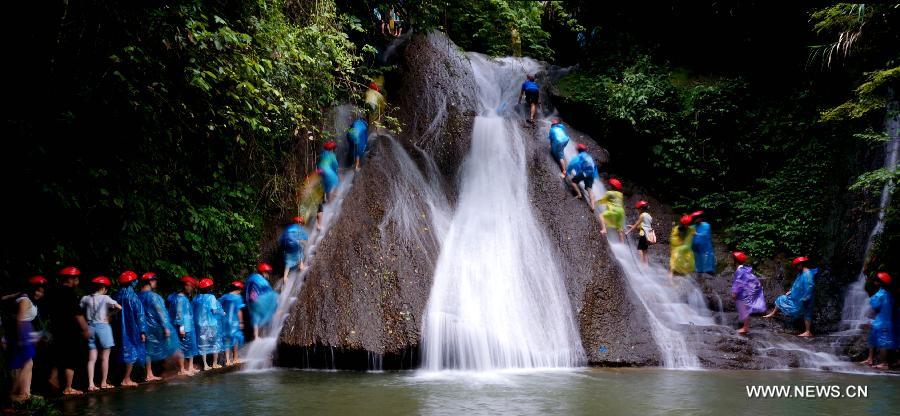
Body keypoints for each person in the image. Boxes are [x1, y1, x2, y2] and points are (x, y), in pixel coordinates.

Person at [46, 266, 90, 395]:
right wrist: (85, 328)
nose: (78, 281)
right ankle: (68, 387)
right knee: (71, 358)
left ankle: (53, 377)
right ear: (71, 279)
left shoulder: (53, 291)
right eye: (76, 278)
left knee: (59, 355)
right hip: (70, 330)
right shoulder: (70, 293)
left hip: (56, 328)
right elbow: (78, 314)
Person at [8, 276, 46, 402]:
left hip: (26, 331)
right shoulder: (24, 299)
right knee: (21, 363)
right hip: (20, 332)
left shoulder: (30, 300)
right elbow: (20, 319)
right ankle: (15, 394)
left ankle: (25, 393)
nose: (38, 293)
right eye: (36, 290)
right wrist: (23, 338)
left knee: (29, 363)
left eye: (41, 291)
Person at [81, 276, 122, 391]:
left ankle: (91, 384)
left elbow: (80, 310)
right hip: (103, 327)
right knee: (105, 357)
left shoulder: (85, 298)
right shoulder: (106, 298)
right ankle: (103, 382)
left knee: (91, 358)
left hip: (90, 327)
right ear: (103, 288)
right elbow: (119, 307)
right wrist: (109, 315)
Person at [137, 272, 177, 381]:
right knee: (166, 346)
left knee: (147, 350)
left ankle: (149, 373)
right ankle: (166, 371)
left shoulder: (137, 296)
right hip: (155, 327)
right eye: (154, 280)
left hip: (142, 327)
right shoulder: (154, 296)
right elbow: (161, 312)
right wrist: (166, 326)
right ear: (150, 282)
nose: (156, 283)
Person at [764, 257, 817, 337]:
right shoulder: (801, 273)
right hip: (796, 297)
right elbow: (796, 284)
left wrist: (806, 298)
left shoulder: (807, 274)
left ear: (800, 265)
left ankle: (808, 331)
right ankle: (773, 313)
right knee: (781, 298)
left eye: (796, 266)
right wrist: (791, 291)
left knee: (807, 313)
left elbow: (810, 287)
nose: (795, 267)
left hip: (803, 299)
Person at [113, 271, 146, 387]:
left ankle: (119, 378)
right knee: (131, 352)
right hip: (132, 329)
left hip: (117, 328)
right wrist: (143, 331)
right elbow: (140, 315)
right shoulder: (133, 297)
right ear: (132, 282)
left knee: (121, 351)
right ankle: (126, 379)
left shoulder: (116, 295)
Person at [861, 272, 894, 369]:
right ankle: (870, 359)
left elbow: (875, 307)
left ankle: (884, 364)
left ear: (878, 283)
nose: (874, 282)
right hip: (883, 320)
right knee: (872, 337)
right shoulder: (888, 294)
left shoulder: (880, 295)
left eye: (876, 281)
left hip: (882, 321)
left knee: (883, 342)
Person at [169, 276, 199, 375]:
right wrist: (181, 328)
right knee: (182, 348)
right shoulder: (180, 299)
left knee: (191, 346)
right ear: (185, 286)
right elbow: (179, 314)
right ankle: (182, 369)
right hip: (184, 327)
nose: (191, 289)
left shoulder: (184, 298)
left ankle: (190, 367)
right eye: (190, 286)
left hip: (189, 326)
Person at [730, 252, 766, 335]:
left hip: (743, 293)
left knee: (743, 308)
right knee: (744, 308)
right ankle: (745, 326)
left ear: (735, 261)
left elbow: (738, 282)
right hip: (747, 291)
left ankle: (745, 328)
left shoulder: (739, 271)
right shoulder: (745, 269)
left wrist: (734, 292)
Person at [192, 278, 225, 371]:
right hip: (211, 324)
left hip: (199, 324)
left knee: (202, 344)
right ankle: (214, 363)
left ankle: (205, 365)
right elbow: (214, 310)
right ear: (210, 288)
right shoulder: (211, 297)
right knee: (215, 343)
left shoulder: (196, 298)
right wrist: (222, 313)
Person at [246, 264, 278, 339]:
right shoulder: (258, 280)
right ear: (263, 272)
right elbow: (255, 291)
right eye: (267, 273)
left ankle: (258, 335)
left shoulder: (253, 279)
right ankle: (257, 335)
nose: (268, 275)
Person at [218, 281, 245, 366]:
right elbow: (239, 311)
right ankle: (235, 358)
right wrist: (241, 322)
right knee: (235, 339)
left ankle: (228, 360)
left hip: (225, 321)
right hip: (234, 321)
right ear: (238, 289)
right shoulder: (238, 298)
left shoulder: (224, 297)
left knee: (227, 339)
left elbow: (218, 307)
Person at [316, 140, 340, 231]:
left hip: (320, 176)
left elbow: (319, 166)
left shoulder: (322, 154)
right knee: (333, 185)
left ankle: (318, 224)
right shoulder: (332, 155)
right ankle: (330, 202)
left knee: (320, 200)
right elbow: (335, 167)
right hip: (330, 176)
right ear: (332, 149)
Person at [566, 144, 598, 209]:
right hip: (591, 174)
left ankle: (579, 194)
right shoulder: (588, 156)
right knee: (589, 189)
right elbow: (594, 167)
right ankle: (592, 206)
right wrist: (594, 176)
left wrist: (567, 172)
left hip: (585, 173)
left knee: (573, 182)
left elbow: (573, 163)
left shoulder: (581, 155)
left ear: (578, 150)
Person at [280, 216, 309, 284]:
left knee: (288, 261)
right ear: (300, 223)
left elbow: (282, 238)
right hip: (295, 245)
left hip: (286, 246)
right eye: (301, 223)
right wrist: (304, 243)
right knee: (300, 250)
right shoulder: (300, 229)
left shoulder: (289, 228)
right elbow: (305, 239)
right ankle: (301, 265)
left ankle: (285, 277)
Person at [669, 214, 696, 282]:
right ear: (684, 224)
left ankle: (680, 276)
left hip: (682, 249)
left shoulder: (689, 229)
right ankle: (671, 280)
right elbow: (673, 240)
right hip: (676, 249)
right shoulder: (677, 229)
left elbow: (692, 234)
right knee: (673, 266)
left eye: (689, 224)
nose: (688, 225)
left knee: (683, 263)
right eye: (687, 224)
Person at [691, 211, 717, 276]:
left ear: (700, 218)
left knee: (707, 265)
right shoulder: (692, 227)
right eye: (694, 218)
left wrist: (696, 234)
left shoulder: (706, 225)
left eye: (696, 218)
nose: (695, 220)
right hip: (696, 249)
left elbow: (704, 234)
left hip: (705, 249)